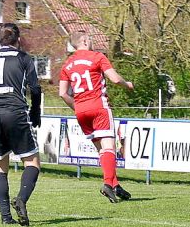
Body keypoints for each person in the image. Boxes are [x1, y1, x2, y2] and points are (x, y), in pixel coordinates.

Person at [0, 23, 43, 225]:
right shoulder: (23, 58)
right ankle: (21, 200)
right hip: (15, 111)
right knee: (32, 162)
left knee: (0, 166)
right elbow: (35, 88)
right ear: (19, 39)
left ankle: (6, 217)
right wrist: (35, 111)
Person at [57, 32, 134, 203]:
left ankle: (115, 185)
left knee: (102, 150)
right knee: (110, 147)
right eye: (90, 39)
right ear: (84, 41)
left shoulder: (67, 64)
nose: (92, 42)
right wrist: (127, 84)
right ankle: (108, 183)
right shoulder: (97, 57)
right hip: (98, 106)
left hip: (81, 111)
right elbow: (114, 79)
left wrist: (77, 106)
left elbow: (62, 93)